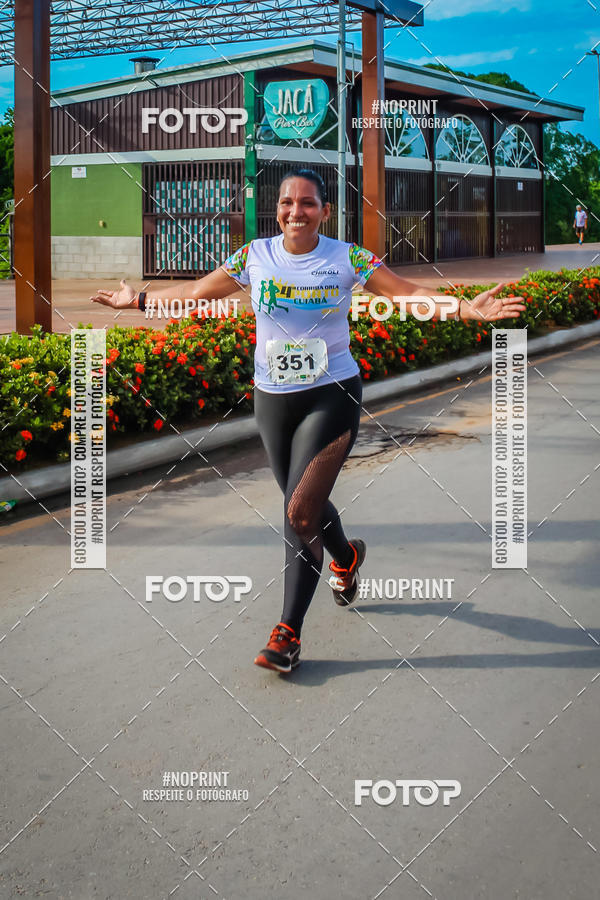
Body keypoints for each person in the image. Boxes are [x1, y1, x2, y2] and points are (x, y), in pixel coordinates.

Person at [91, 168, 525, 674]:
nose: (295, 211)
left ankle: (287, 634)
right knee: (307, 505)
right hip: (273, 400)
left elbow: (406, 293)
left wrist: (467, 311)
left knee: (299, 512)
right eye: (286, 203)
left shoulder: (348, 257)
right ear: (275, 209)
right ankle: (345, 557)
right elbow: (195, 294)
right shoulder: (254, 256)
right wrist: (138, 300)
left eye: (307, 203)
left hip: (332, 394)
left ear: (324, 210)